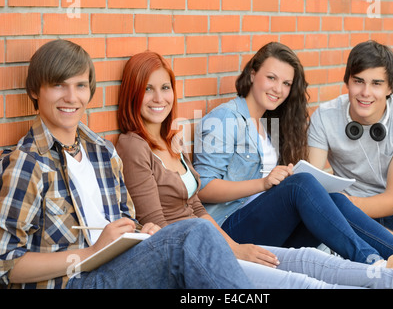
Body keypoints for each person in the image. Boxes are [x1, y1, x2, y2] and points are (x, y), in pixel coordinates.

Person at [115, 49, 393, 289]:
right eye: (271, 78)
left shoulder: (269, 125)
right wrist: (263, 185)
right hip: (229, 226)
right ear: (251, 75)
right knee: (303, 186)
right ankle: (374, 264)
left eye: (286, 83)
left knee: (332, 198)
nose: (278, 88)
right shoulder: (224, 120)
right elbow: (206, 190)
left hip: (254, 224)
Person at [0, 39, 256, 289]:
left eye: (80, 85)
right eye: (59, 85)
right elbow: (7, 264)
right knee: (194, 233)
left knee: (195, 243)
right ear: (34, 91)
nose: (71, 97)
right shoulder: (28, 162)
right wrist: (92, 252)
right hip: (75, 281)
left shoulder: (102, 151)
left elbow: (125, 220)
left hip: (119, 264)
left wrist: (143, 229)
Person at [307, 40, 393, 255]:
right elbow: (312, 181)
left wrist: (348, 204)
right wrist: (341, 206)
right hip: (349, 215)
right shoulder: (324, 116)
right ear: (347, 81)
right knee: (326, 208)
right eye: (358, 81)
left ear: (390, 87)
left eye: (376, 83)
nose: (365, 92)